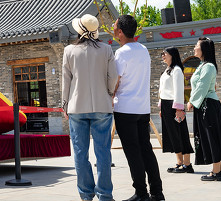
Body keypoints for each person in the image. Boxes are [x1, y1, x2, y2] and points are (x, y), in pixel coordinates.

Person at [62, 14, 119, 201]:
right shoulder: (106, 49)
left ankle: (86, 194)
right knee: (103, 152)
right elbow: (113, 76)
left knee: (80, 153)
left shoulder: (69, 51)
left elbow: (66, 81)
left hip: (77, 106)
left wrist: (64, 104)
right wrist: (109, 93)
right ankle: (105, 194)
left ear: (79, 31)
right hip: (102, 105)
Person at [113, 14, 164, 201]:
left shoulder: (121, 53)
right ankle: (157, 192)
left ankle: (141, 193)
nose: (112, 28)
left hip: (125, 108)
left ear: (120, 32)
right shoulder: (143, 50)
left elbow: (116, 81)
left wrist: (110, 95)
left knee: (133, 152)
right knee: (146, 150)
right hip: (142, 108)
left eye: (114, 26)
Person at [186, 37, 221, 181]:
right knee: (216, 136)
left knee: (212, 137)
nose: (194, 47)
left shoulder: (208, 66)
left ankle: (216, 172)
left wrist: (191, 101)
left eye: (197, 45)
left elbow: (202, 86)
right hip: (206, 104)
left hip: (207, 105)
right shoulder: (203, 65)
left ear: (203, 49)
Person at [158, 47, 194, 173]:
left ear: (172, 55)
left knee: (180, 133)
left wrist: (179, 108)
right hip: (166, 105)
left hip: (174, 105)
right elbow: (163, 89)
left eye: (165, 54)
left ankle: (187, 164)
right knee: (172, 135)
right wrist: (161, 106)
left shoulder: (177, 70)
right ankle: (179, 162)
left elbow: (178, 89)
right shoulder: (168, 70)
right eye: (162, 54)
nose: (163, 56)